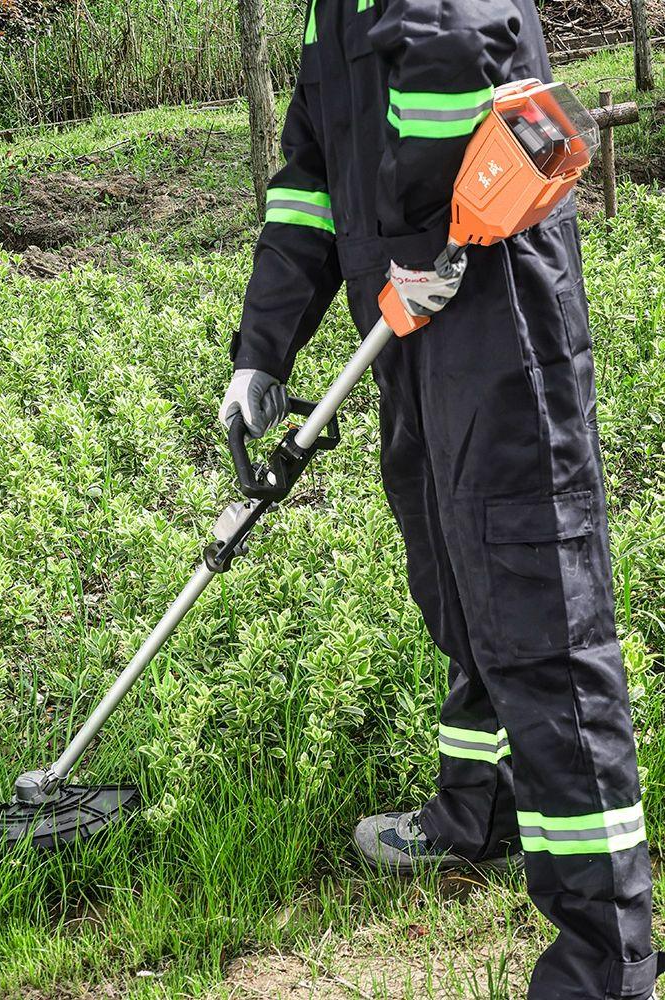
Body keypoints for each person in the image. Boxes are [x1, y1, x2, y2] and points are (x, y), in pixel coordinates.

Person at [218, 1, 662, 997]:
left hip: (496, 316)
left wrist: (423, 234)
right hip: (412, 324)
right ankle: (479, 807)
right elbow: (310, 180)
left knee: (539, 617)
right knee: (454, 583)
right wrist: (263, 350)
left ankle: (606, 962)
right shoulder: (330, 11)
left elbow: (462, 51)